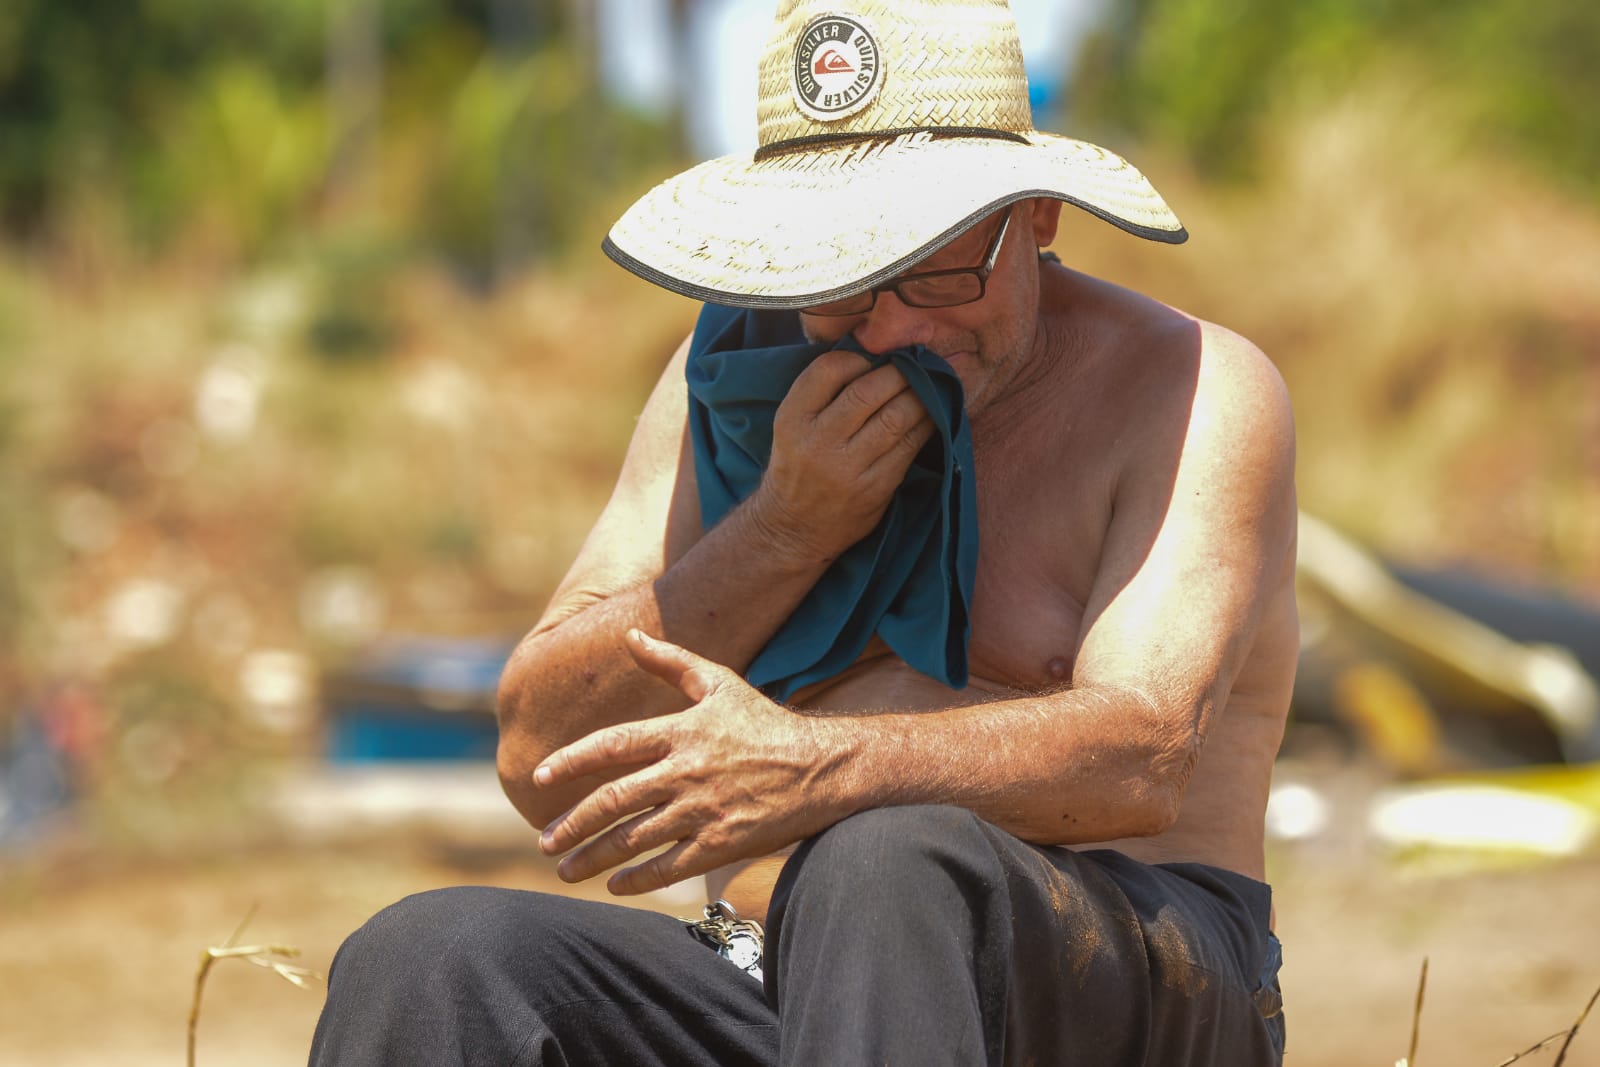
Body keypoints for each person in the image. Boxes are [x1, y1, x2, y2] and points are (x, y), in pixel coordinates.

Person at [309, 1, 1297, 1063]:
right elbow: (540, 756)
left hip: (1129, 968)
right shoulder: (735, 379)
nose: (892, 328)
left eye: (936, 268)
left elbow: (1144, 755)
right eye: (842, 279)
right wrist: (783, 529)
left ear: (1039, 215)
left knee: (884, 860)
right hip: (773, 971)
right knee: (430, 957)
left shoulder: (1190, 388)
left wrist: (817, 765)